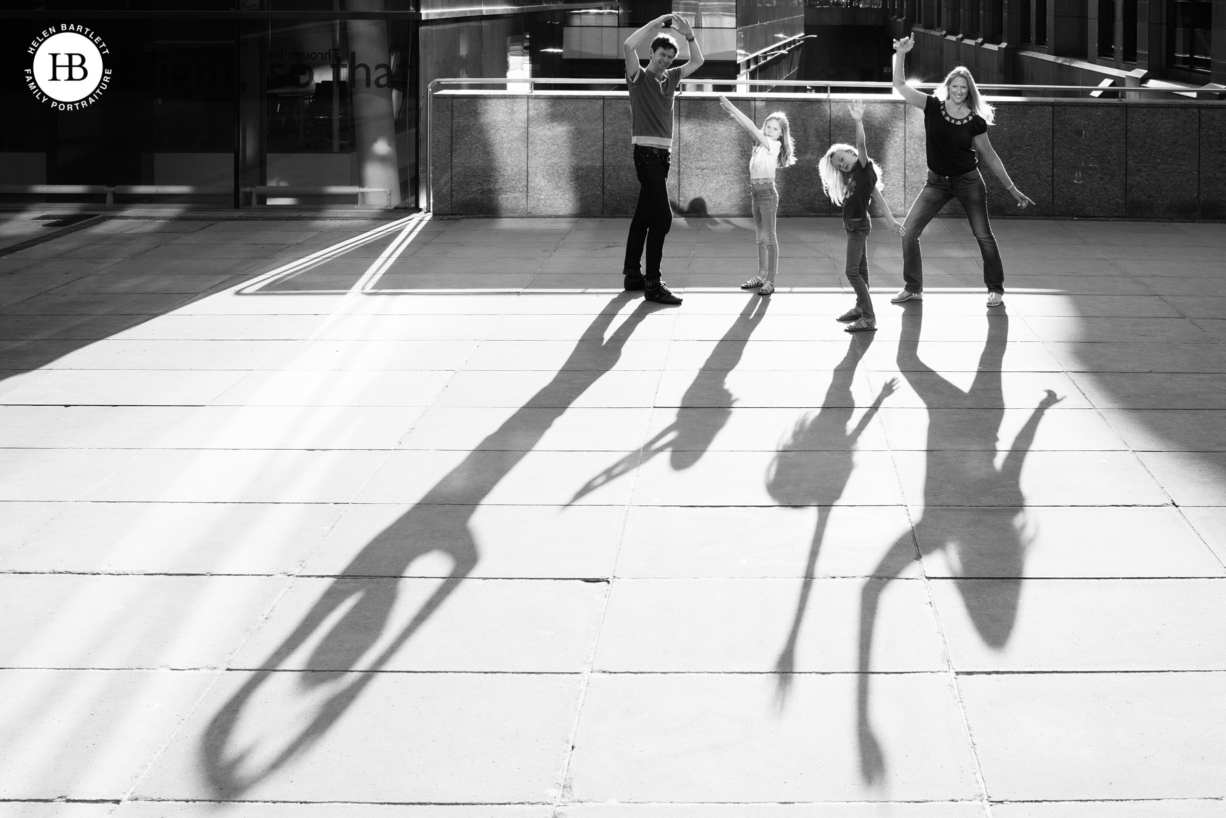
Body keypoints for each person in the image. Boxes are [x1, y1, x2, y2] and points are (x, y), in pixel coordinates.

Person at [889, 36, 1035, 308]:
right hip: (935, 183)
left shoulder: (975, 121)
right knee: (908, 232)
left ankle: (996, 289)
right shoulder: (932, 106)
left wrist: (1012, 188)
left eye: (963, 88)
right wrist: (901, 53)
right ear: (948, 87)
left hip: (968, 182)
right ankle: (913, 287)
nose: (958, 91)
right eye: (954, 86)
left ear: (969, 91)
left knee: (983, 235)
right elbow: (898, 85)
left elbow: (989, 155)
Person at [621, 13, 704, 306]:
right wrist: (655, 24)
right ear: (652, 54)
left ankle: (633, 275)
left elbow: (697, 62)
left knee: (645, 216)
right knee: (663, 218)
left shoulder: (672, 77)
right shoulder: (639, 77)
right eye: (661, 55)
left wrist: (689, 35)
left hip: (661, 157)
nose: (666, 60)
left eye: (670, 56)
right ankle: (653, 285)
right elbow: (628, 46)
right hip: (646, 156)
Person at [818, 99, 905, 332]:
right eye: (839, 165)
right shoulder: (858, 175)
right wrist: (890, 220)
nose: (842, 165)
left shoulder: (864, 167)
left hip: (858, 227)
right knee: (862, 271)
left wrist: (859, 121)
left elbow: (862, 142)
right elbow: (877, 196)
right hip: (853, 226)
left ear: (851, 153)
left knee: (851, 271)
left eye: (843, 159)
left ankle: (869, 317)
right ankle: (860, 307)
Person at [717, 97, 796, 296]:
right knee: (760, 238)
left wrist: (732, 106)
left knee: (769, 238)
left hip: (768, 196)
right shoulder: (759, 145)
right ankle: (761, 275)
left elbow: (751, 127)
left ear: (781, 134)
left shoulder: (774, 146)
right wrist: (733, 114)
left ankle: (771, 280)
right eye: (767, 126)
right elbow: (750, 128)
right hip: (756, 195)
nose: (769, 130)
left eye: (775, 129)